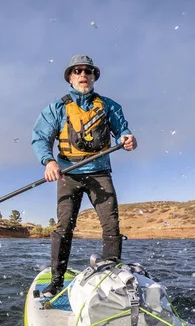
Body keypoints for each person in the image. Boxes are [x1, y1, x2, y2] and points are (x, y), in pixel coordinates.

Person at [31, 54, 137, 297]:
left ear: (93, 76)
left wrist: (128, 138)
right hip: (68, 175)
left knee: (111, 226)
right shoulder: (56, 108)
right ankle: (56, 281)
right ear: (70, 77)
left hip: (100, 174)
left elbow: (123, 130)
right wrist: (48, 161)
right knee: (64, 227)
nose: (83, 75)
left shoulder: (109, 106)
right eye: (77, 71)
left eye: (88, 71)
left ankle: (112, 281)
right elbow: (40, 138)